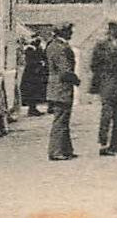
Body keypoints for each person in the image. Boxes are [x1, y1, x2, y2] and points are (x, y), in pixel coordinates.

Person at [89, 19, 117, 156]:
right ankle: (103, 145)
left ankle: (115, 143)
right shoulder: (101, 45)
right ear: (110, 29)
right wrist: (110, 70)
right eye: (115, 29)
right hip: (106, 83)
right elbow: (94, 65)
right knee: (106, 115)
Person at [45, 23, 80, 161]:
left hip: (55, 88)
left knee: (63, 119)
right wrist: (76, 80)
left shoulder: (53, 45)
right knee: (61, 120)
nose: (71, 33)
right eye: (69, 31)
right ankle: (56, 151)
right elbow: (65, 70)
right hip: (62, 88)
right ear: (63, 32)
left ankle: (66, 149)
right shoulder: (60, 48)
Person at [20, 37, 49, 116]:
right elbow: (31, 62)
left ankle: (33, 109)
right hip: (31, 75)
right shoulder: (30, 50)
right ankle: (32, 109)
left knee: (34, 92)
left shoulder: (35, 49)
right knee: (32, 92)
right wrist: (39, 63)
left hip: (34, 74)